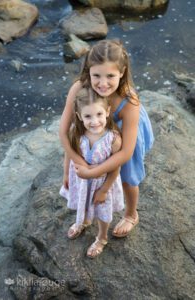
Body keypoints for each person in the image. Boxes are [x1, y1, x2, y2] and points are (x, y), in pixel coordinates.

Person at [59, 39, 154, 239]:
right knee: (86, 167)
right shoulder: (79, 89)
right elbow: (64, 132)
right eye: (96, 76)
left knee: (128, 177)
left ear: (122, 72)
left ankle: (130, 214)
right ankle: (86, 215)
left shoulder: (130, 103)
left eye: (110, 75)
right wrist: (74, 165)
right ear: (88, 71)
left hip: (122, 132)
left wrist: (93, 171)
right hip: (93, 127)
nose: (103, 83)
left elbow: (126, 152)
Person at [60, 87, 124, 258]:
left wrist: (103, 190)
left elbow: (115, 166)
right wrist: (66, 174)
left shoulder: (113, 139)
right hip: (81, 180)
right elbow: (69, 154)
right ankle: (83, 221)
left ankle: (102, 237)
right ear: (79, 116)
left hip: (103, 183)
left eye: (99, 114)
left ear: (107, 112)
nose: (94, 121)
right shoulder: (76, 133)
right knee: (84, 201)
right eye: (88, 116)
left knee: (103, 210)